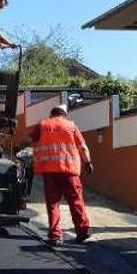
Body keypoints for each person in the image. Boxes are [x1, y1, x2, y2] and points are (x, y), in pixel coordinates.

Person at [26, 104, 94, 245]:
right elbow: (83, 147)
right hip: (69, 171)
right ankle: (82, 232)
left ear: (52, 114)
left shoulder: (43, 125)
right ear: (64, 114)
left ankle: (55, 235)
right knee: (76, 201)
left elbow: (28, 141)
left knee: (53, 203)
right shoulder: (71, 126)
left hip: (49, 171)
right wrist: (88, 163)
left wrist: (16, 150)